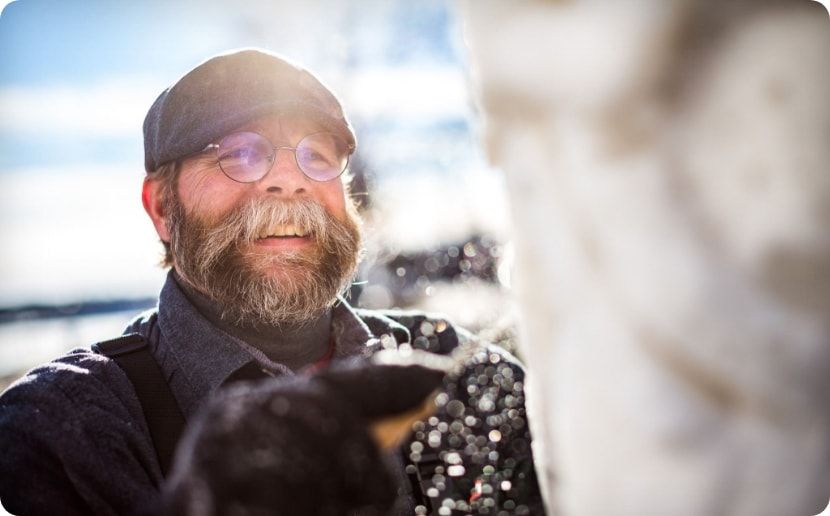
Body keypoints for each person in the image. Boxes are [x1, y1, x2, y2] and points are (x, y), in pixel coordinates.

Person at [0, 48, 542, 515]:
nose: (290, 179)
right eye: (239, 153)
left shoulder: (458, 370)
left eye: (318, 156)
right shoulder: (70, 422)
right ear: (163, 208)